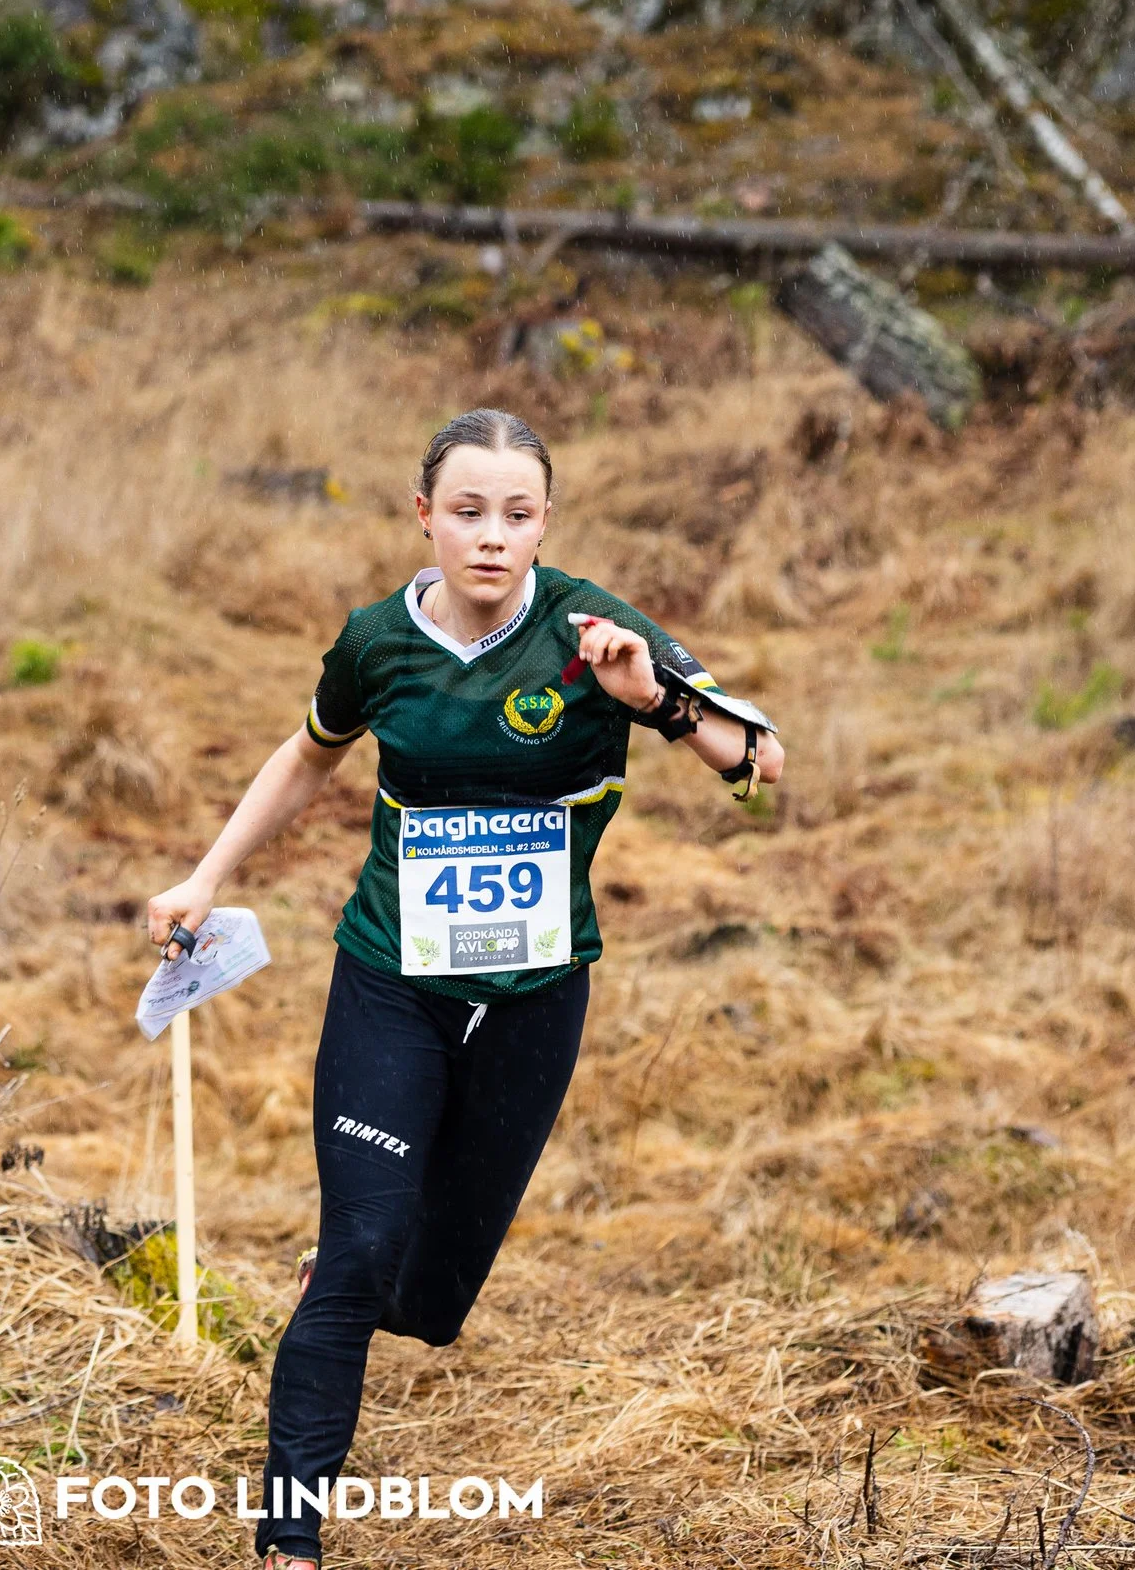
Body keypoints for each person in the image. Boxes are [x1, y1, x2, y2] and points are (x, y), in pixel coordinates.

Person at [145, 408, 785, 1570]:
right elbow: (307, 753)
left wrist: (653, 703)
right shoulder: (377, 640)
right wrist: (206, 874)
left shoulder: (596, 628)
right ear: (425, 515)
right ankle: (288, 1541)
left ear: (546, 521)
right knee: (358, 1248)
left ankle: (373, 1264)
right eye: (468, 511)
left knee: (428, 1299)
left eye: (518, 514)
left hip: (537, 995)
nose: (492, 537)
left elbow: (758, 768)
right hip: (391, 977)